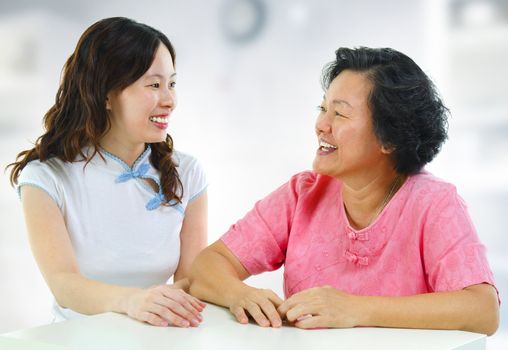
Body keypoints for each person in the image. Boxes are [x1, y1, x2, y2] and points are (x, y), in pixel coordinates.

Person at [189, 47, 500, 335]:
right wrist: (241, 294)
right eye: (322, 108)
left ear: (389, 138)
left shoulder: (434, 203)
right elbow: (207, 266)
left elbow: (482, 310)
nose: (321, 125)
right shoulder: (302, 194)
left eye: (339, 113)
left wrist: (354, 308)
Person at [8, 17, 207, 328]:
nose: (170, 100)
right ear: (106, 94)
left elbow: (191, 282)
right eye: (154, 85)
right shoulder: (45, 178)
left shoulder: (188, 173)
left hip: (159, 338)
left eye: (172, 84)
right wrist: (131, 301)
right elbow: (63, 284)